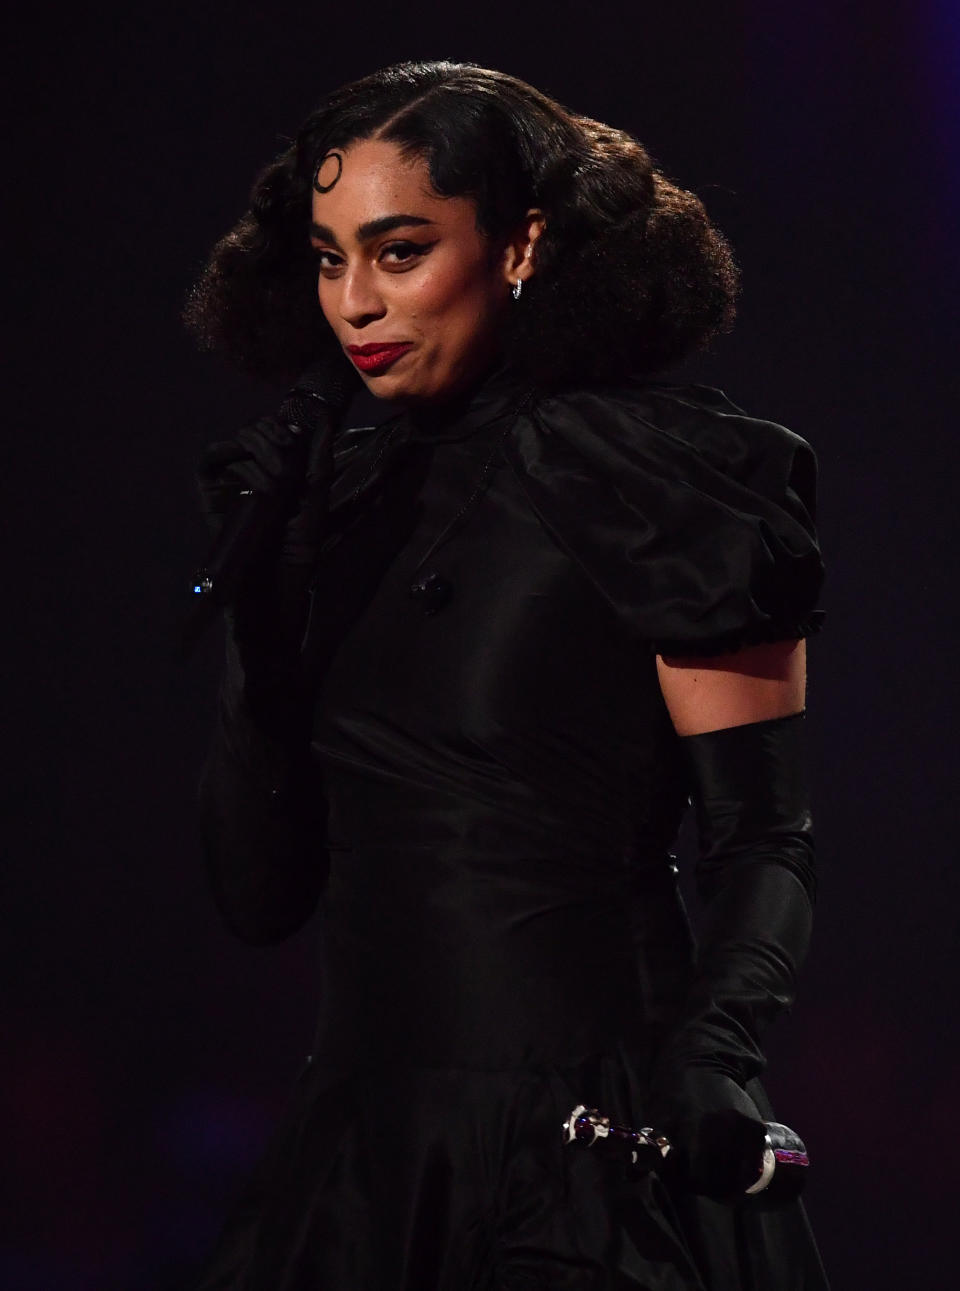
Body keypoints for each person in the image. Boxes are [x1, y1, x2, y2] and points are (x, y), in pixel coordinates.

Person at [185, 59, 830, 1290]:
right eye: (328, 259)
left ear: (524, 243)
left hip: (590, 1156)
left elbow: (765, 839)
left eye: (400, 249)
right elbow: (257, 897)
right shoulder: (341, 502)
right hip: (365, 1160)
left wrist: (716, 1061)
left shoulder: (659, 486)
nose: (355, 303)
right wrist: (260, 651)